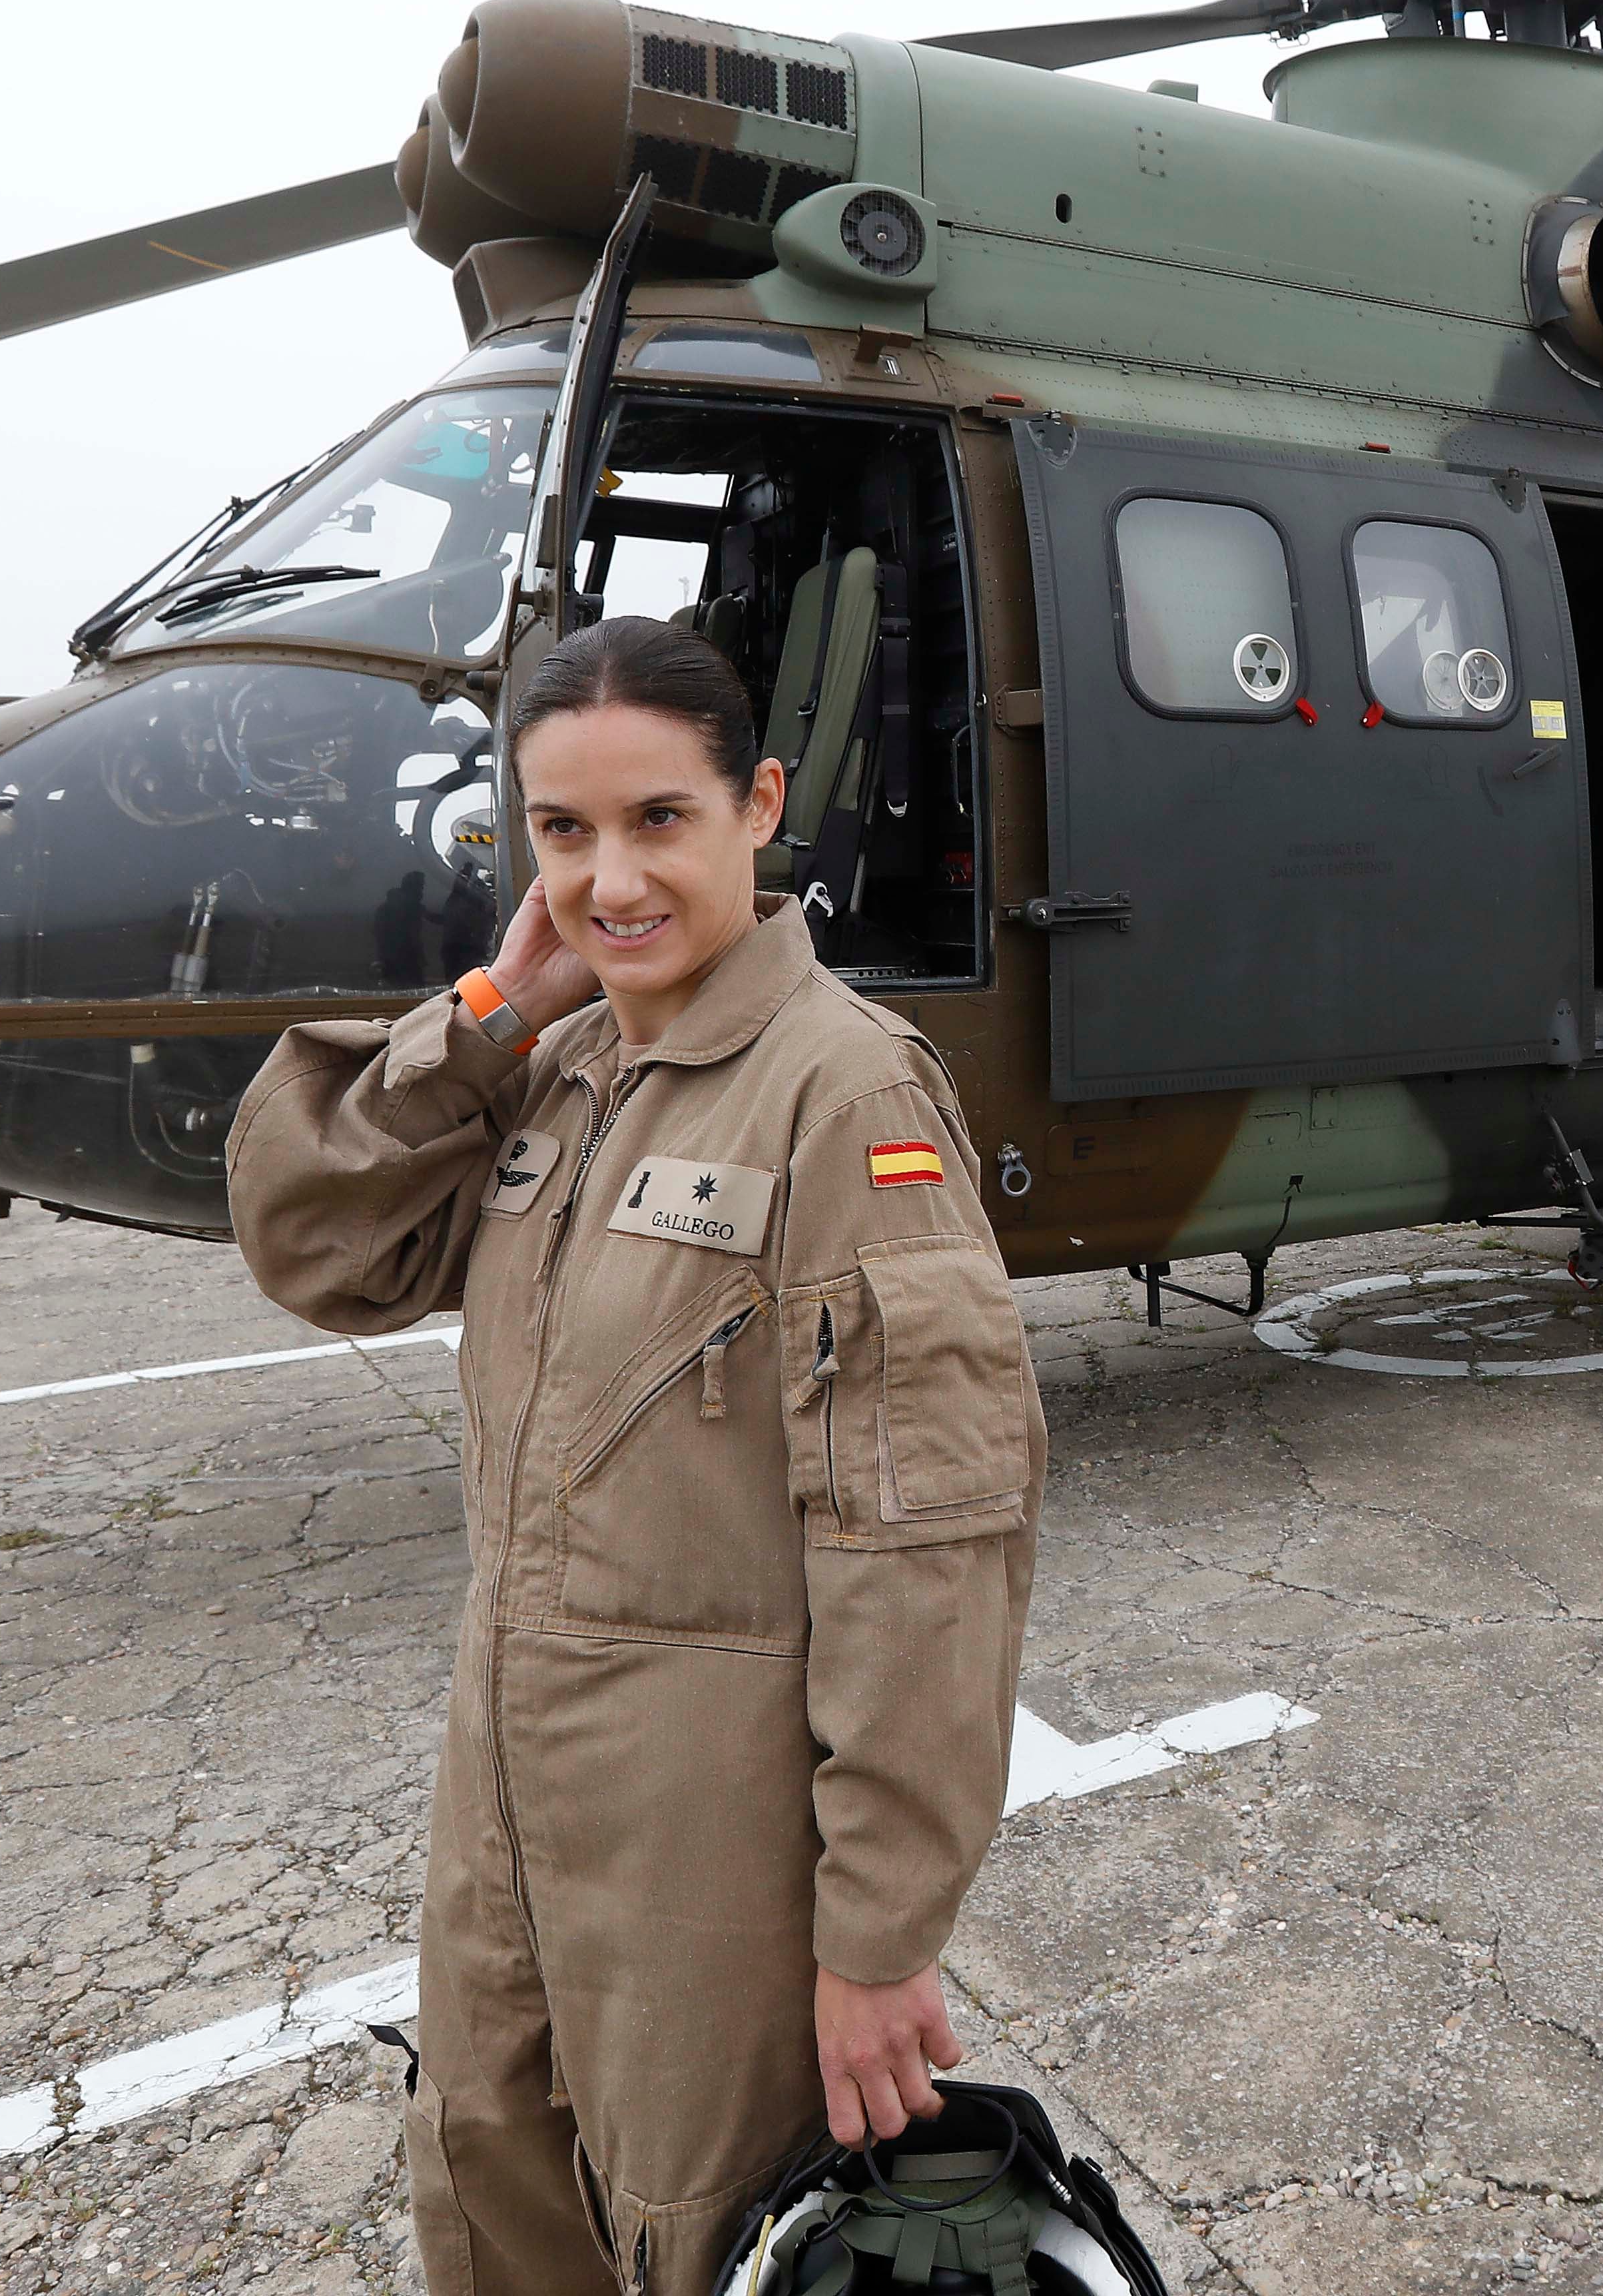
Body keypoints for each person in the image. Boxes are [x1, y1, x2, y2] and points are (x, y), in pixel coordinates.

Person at [227, 615, 1044, 2291]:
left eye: (658, 820)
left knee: (701, 2240)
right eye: (563, 832)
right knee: (494, 2187)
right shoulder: (558, 1065)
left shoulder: (845, 1096)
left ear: (757, 806)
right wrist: (486, 1008)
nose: (611, 880)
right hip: (508, 1809)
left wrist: (881, 1934)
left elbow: (925, 1545)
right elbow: (316, 1244)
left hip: (711, 1847)